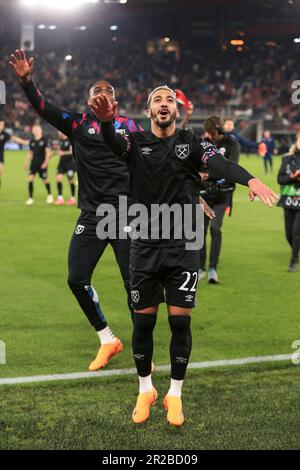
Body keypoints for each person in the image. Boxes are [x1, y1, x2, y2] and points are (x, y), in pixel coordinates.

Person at [90, 85, 278, 426]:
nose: (164, 105)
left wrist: (250, 180)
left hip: (183, 246)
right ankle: (145, 388)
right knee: (143, 323)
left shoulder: (192, 143)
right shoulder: (135, 142)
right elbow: (113, 144)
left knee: (180, 322)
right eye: (157, 101)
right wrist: (105, 123)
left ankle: (174, 394)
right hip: (144, 245)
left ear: (177, 111)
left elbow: (220, 164)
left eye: (170, 101)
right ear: (148, 112)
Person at [9, 48, 142, 370]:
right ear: (88, 101)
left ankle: (143, 347)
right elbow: (43, 107)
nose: (101, 96)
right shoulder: (77, 123)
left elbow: (151, 162)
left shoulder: (131, 126)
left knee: (134, 286)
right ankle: (108, 339)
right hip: (93, 216)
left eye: (107, 93)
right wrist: (27, 82)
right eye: (96, 93)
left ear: (116, 103)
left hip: (126, 214)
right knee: (76, 278)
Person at [198, 116, 240, 283]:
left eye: (213, 133)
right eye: (208, 133)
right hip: (203, 194)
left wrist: (208, 175)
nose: (210, 137)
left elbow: (231, 169)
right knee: (200, 231)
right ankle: (200, 268)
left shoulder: (231, 144)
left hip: (223, 194)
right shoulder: (202, 143)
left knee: (215, 229)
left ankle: (213, 268)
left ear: (219, 131)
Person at [277, 132, 300, 272]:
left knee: (297, 232)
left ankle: (293, 260)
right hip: (287, 200)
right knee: (288, 234)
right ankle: (296, 251)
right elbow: (280, 179)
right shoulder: (286, 159)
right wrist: (292, 177)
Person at [23, 123, 53, 205]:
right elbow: (30, 153)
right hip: (33, 164)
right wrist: (26, 163)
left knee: (45, 180)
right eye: (34, 130)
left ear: (41, 130)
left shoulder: (44, 140)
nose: (36, 131)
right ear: (32, 131)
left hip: (42, 164)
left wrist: (45, 162)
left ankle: (50, 195)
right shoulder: (32, 141)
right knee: (30, 179)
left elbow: (47, 153)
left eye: (37, 129)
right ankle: (30, 198)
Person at [0, 119, 31, 190]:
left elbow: (15, 139)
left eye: (2, 125)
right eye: (0, 124)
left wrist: (25, 142)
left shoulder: (5, 134)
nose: (1, 126)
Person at [54, 131, 76, 206]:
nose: (59, 133)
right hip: (62, 163)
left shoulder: (70, 140)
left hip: (69, 164)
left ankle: (73, 198)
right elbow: (59, 151)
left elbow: (72, 152)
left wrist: (62, 153)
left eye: (60, 132)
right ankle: (60, 198)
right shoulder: (61, 141)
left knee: (71, 181)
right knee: (58, 178)